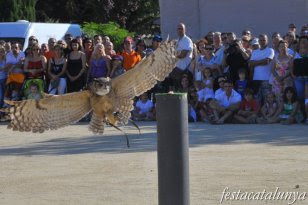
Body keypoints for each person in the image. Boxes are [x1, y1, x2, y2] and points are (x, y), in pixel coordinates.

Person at [249, 34, 275, 103]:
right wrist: (261, 61)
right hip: (256, 79)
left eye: (264, 40)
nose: (262, 41)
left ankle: (267, 113)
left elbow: (267, 61)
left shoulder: (270, 50)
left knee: (267, 99)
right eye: (261, 40)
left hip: (266, 79)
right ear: (259, 41)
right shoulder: (255, 51)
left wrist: (256, 62)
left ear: (267, 41)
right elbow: (251, 63)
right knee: (257, 100)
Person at [170, 23, 193, 91]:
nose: (180, 30)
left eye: (181, 29)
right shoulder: (177, 41)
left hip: (183, 69)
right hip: (176, 67)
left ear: (185, 30)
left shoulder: (187, 40)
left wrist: (173, 56)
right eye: (178, 29)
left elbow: (183, 55)